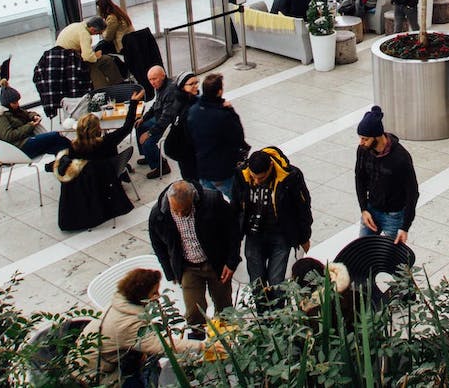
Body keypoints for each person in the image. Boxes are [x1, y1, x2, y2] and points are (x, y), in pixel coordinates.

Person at [79, 267, 203, 386]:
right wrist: (203, 346)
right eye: (154, 292)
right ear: (141, 296)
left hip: (101, 361)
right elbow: (162, 346)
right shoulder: (127, 324)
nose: (158, 296)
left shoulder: (121, 304)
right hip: (97, 375)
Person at [149, 181, 240, 327]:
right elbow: (158, 246)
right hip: (188, 268)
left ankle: (227, 340)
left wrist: (231, 262)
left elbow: (233, 230)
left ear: (192, 199)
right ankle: (198, 343)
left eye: (184, 210)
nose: (180, 214)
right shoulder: (158, 214)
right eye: (175, 210)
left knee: (225, 309)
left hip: (215, 264)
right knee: (194, 313)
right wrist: (170, 272)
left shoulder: (212, 201)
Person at [54, 86, 144, 232]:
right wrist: (133, 104)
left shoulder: (74, 147)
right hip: (106, 177)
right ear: (97, 128)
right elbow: (127, 127)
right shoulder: (107, 141)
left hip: (86, 185)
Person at [232, 148, 313, 306]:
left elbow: (303, 207)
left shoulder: (290, 177)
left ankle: (278, 317)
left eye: (260, 178)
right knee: (257, 282)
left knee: (277, 281)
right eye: (254, 177)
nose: (256, 181)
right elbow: (235, 207)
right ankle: (263, 317)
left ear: (270, 167)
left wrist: (304, 236)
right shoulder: (242, 175)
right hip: (253, 234)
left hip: (280, 235)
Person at [354, 106, 418, 245]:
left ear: (377, 136)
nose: (361, 142)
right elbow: (360, 179)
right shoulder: (363, 150)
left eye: (365, 139)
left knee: (392, 259)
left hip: (394, 216)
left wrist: (404, 227)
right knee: (361, 250)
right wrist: (364, 209)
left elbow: (412, 193)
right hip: (371, 210)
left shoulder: (401, 158)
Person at [187, 74, 246, 199]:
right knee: (239, 200)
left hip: (203, 168)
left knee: (210, 202)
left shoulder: (193, 111)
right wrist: (231, 110)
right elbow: (238, 137)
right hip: (222, 170)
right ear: (219, 92)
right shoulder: (223, 115)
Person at [0, 84, 70, 159]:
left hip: (25, 142)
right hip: (19, 148)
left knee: (59, 144)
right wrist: (30, 125)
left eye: (17, 101)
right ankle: (73, 161)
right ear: (7, 103)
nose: (17, 104)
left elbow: (27, 113)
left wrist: (34, 116)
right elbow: (9, 136)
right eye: (14, 102)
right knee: (56, 136)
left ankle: (66, 165)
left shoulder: (13, 111)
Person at [58, 15, 124, 89]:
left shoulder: (78, 25)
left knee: (106, 59)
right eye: (98, 33)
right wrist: (95, 56)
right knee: (94, 66)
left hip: (64, 59)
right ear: (93, 29)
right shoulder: (85, 35)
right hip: (70, 62)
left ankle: (118, 85)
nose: (97, 35)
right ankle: (104, 89)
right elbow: (87, 57)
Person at [135, 65, 178, 178]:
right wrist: (143, 118)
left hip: (168, 122)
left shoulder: (170, 90)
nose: (152, 82)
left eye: (154, 79)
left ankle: (161, 166)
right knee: (139, 126)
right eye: (150, 79)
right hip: (160, 116)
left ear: (163, 76)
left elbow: (166, 118)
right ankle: (149, 155)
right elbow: (156, 105)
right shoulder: (160, 86)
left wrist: (149, 133)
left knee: (148, 141)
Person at [161, 72, 202, 182]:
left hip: (181, 148)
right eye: (191, 84)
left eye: (196, 82)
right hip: (184, 151)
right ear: (182, 86)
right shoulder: (186, 107)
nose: (195, 86)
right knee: (192, 179)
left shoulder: (183, 99)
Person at [33, 42, 92, 116]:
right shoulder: (74, 57)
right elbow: (84, 75)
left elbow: (36, 77)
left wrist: (45, 93)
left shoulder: (45, 57)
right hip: (75, 101)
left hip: (52, 99)